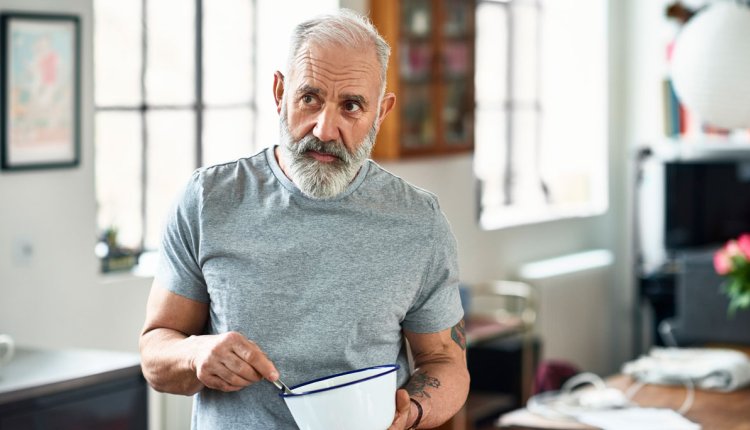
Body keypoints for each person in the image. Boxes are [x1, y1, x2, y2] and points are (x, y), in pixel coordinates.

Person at [139, 9, 469, 429]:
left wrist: (412, 412)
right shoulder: (207, 200)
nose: (325, 129)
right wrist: (196, 355)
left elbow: (445, 361)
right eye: (309, 98)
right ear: (280, 92)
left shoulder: (419, 221)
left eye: (351, 106)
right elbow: (156, 350)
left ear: (381, 113)